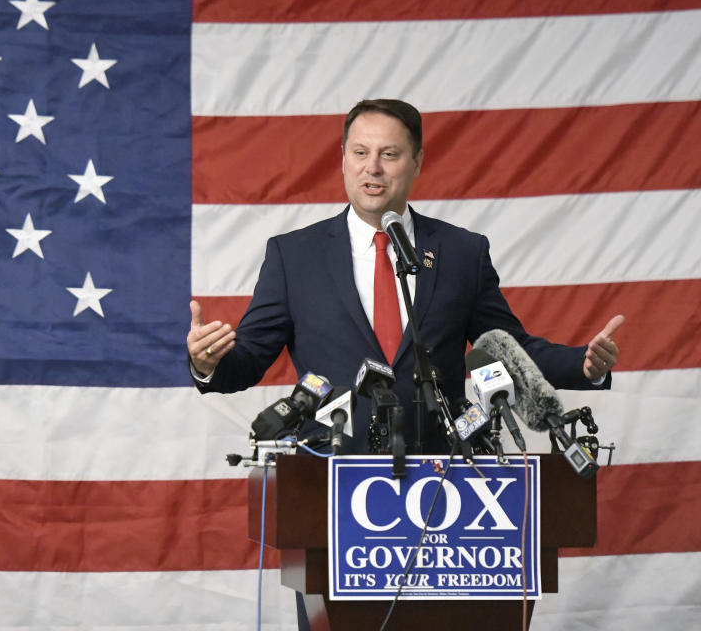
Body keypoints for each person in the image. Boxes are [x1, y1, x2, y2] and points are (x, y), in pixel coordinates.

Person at [187, 98, 623, 454]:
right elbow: (248, 360)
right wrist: (209, 365)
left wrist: (583, 364)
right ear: (343, 160)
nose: (372, 167)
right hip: (330, 471)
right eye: (360, 153)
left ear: (416, 162)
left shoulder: (461, 252)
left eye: (389, 154)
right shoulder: (293, 256)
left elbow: (509, 349)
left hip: (445, 471)